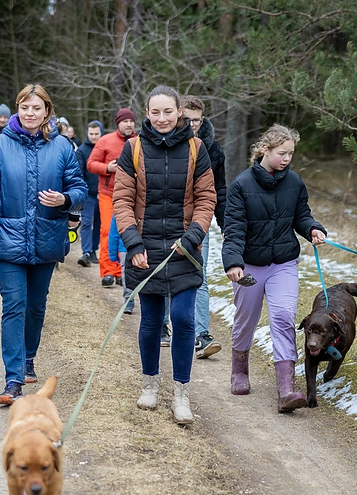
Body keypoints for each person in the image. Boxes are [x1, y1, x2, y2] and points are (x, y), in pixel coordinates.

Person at [0, 84, 87, 405]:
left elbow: (79, 188)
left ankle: (28, 359)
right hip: (8, 239)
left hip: (47, 238)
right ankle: (12, 380)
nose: (30, 113)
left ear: (47, 112)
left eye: (36, 108)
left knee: (36, 306)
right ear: (17, 109)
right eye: (25, 107)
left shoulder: (63, 147)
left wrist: (64, 198)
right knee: (14, 305)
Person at [112, 85, 216, 425]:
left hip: (184, 247)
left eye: (167, 112)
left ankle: (181, 392)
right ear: (147, 113)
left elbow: (206, 199)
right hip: (145, 249)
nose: (161, 118)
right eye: (155, 112)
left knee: (185, 319)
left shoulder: (197, 148)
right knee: (152, 320)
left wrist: (194, 235)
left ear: (179, 113)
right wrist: (133, 243)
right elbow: (122, 201)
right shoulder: (133, 149)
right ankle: (150, 383)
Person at [222, 124, 326, 413]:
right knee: (246, 320)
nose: (286, 159)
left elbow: (302, 216)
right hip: (250, 267)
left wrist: (313, 229)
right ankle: (240, 371)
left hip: (283, 262)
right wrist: (232, 262)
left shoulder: (294, 182)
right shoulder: (242, 185)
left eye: (290, 153)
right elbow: (234, 230)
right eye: (282, 153)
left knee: (282, 317)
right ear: (265, 150)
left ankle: (286, 389)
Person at [181, 95, 228, 359]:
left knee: (199, 276)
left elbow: (219, 190)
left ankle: (202, 334)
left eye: (196, 121)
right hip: (168, 220)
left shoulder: (214, 151)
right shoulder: (166, 144)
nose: (192, 125)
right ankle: (165, 327)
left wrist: (224, 223)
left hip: (201, 221)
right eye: (187, 120)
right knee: (167, 275)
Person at [87, 107, 137, 287]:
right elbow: (91, 164)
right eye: (125, 121)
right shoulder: (105, 141)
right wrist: (108, 168)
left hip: (132, 196)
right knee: (107, 231)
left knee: (128, 234)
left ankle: (123, 270)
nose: (129, 124)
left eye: (131, 121)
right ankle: (108, 271)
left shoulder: (139, 141)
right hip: (108, 194)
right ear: (118, 123)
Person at [74, 121, 104, 267]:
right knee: (86, 222)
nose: (93, 137)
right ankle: (86, 251)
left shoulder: (105, 148)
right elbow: (80, 172)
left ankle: (93, 249)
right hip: (89, 194)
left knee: (99, 224)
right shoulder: (82, 150)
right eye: (91, 134)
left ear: (101, 133)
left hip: (103, 193)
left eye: (96, 134)